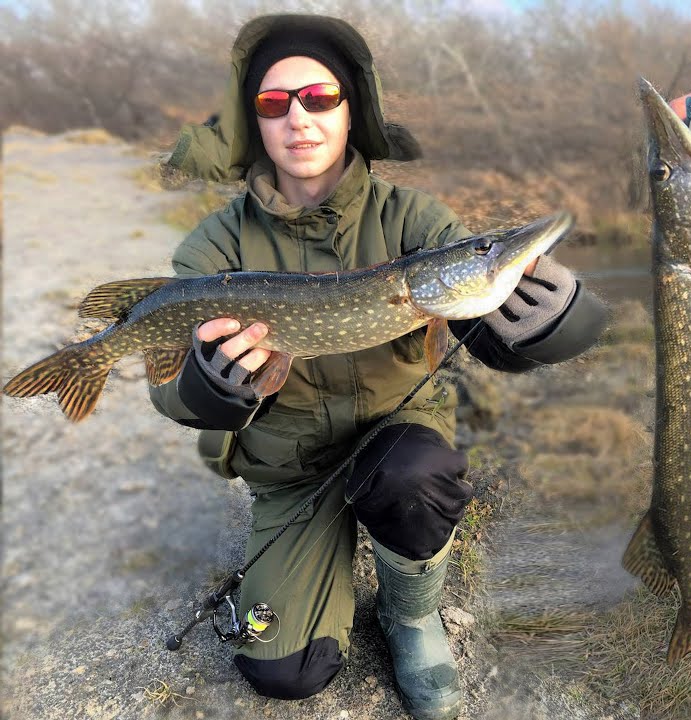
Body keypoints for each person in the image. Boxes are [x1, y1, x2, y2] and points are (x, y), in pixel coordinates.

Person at [151, 14, 606, 720]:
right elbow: (172, 390)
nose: (298, 118)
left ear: (351, 108)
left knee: (416, 476)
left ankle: (411, 616)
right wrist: (211, 387)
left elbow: (482, 325)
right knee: (288, 671)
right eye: (274, 104)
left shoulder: (416, 220)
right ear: (254, 122)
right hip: (291, 471)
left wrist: (558, 320)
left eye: (319, 97)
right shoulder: (214, 245)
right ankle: (314, 552)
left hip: (393, 445)